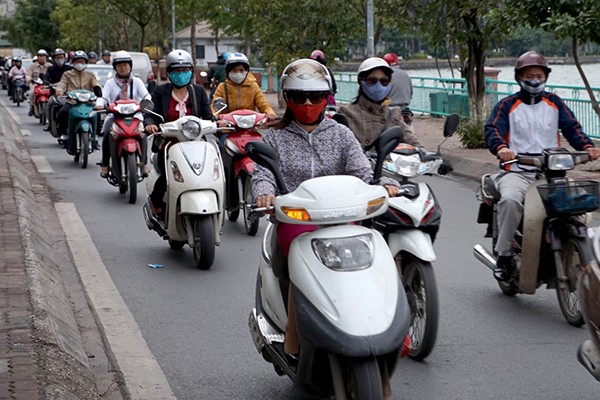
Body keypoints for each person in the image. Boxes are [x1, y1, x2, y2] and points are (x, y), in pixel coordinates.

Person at [252, 58, 401, 357]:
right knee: (301, 265)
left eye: (315, 96)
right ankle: (295, 342)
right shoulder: (275, 138)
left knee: (372, 260)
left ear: (326, 98)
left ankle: (377, 324)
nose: (307, 103)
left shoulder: (341, 135)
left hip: (343, 220)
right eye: (298, 96)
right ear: (287, 98)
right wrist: (265, 194)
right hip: (296, 220)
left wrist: (382, 185)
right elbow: (263, 174)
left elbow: (362, 173)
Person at [485, 50, 600, 281]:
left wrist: (588, 147)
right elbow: (493, 129)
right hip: (518, 171)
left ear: (546, 77)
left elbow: (572, 128)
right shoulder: (508, 105)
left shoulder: (554, 102)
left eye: (539, 75)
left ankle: (577, 249)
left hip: (552, 173)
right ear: (520, 78)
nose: (535, 80)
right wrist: (501, 149)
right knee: (510, 200)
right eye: (529, 76)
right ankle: (504, 255)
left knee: (579, 205)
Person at [144, 49, 213, 218]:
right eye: (176, 70)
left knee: (213, 166)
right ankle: (155, 200)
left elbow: (209, 117)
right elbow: (151, 115)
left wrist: (219, 123)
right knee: (169, 174)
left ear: (190, 71)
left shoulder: (198, 92)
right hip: (168, 143)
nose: (181, 74)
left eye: (185, 70)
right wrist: (151, 124)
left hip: (196, 143)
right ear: (168, 72)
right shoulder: (160, 92)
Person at [337, 57, 421, 149]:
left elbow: (413, 142)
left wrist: (426, 154)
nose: (378, 86)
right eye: (372, 81)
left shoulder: (393, 114)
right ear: (361, 81)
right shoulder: (346, 113)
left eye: (384, 81)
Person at [96, 51, 151, 178]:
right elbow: (103, 97)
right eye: (119, 65)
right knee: (106, 135)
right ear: (115, 67)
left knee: (143, 135)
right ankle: (105, 164)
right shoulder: (110, 83)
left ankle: (144, 164)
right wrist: (100, 104)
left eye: (125, 65)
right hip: (115, 117)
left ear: (130, 66)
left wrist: (147, 103)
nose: (123, 68)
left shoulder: (137, 81)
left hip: (135, 117)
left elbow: (146, 96)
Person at [210, 52, 277, 120]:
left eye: (241, 70)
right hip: (228, 127)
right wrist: (214, 116)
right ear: (228, 71)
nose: (238, 73)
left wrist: (270, 113)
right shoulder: (222, 87)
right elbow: (215, 107)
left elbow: (263, 104)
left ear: (246, 71)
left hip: (250, 125)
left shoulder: (253, 86)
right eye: (234, 70)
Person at [55, 50, 103, 145]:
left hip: (88, 103)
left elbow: (96, 83)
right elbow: (62, 84)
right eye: (78, 61)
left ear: (86, 62)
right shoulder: (67, 74)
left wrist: (98, 89)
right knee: (62, 113)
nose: (80, 64)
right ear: (73, 62)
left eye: (82, 61)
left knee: (97, 115)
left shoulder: (90, 75)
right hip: (72, 102)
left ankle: (95, 136)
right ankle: (63, 133)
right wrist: (59, 91)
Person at [44, 48, 72, 131]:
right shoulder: (50, 69)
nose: (60, 59)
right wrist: (47, 84)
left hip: (69, 94)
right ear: (54, 59)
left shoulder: (69, 69)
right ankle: (49, 122)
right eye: (57, 57)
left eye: (61, 57)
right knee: (49, 102)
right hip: (55, 93)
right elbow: (46, 78)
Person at [383, 52, 413, 124]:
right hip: (405, 107)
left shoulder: (385, 75)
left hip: (389, 107)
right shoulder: (405, 74)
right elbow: (411, 93)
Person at [26, 49, 49, 116]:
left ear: (46, 57)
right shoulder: (32, 66)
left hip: (47, 85)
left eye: (43, 56)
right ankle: (32, 107)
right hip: (36, 85)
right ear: (37, 57)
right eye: (40, 56)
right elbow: (28, 74)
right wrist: (28, 79)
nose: (42, 58)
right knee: (31, 93)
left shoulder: (49, 66)